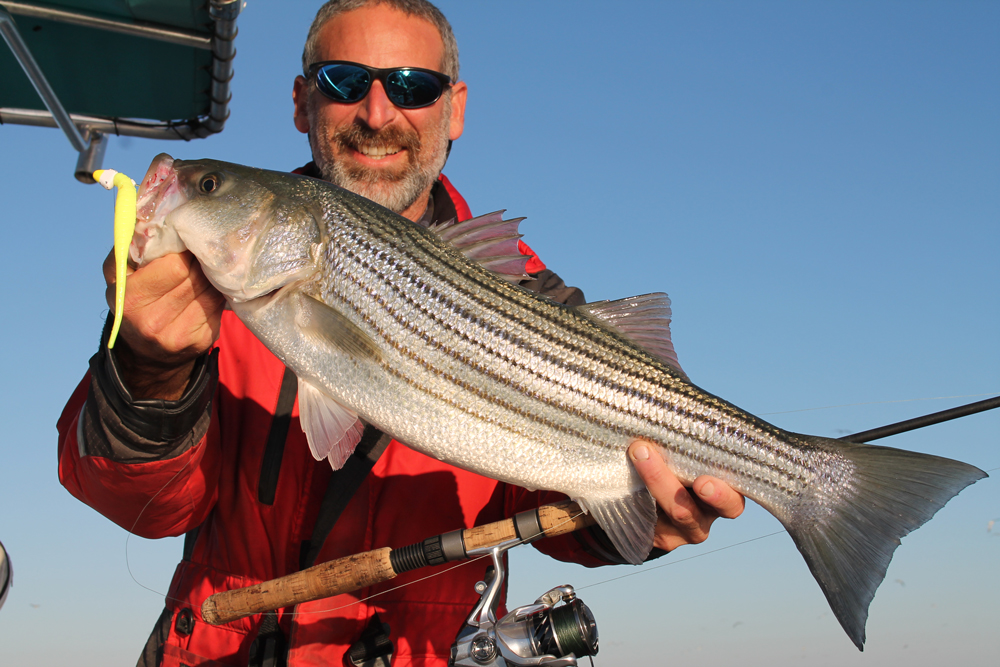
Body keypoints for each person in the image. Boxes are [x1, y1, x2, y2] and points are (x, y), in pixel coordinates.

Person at [56, 2, 744, 666]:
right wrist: (147, 368)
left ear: (456, 108)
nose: (377, 113)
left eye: (413, 86)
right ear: (302, 101)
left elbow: (564, 510)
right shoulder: (197, 293)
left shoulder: (535, 301)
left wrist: (647, 519)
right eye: (344, 81)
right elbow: (139, 505)